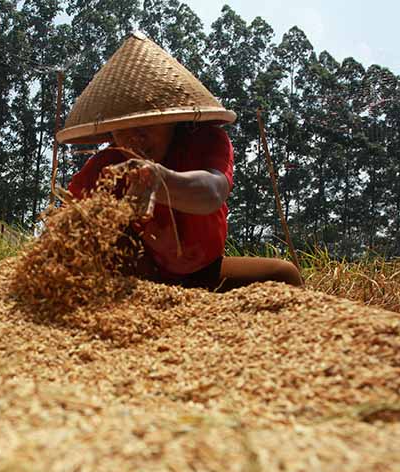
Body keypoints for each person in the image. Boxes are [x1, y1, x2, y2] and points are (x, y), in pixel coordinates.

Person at [56, 32, 302, 292]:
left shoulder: (205, 142)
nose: (135, 136)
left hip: (204, 273)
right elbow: (65, 228)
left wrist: (161, 181)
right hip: (134, 280)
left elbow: (212, 191)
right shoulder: (104, 169)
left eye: (148, 123)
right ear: (110, 133)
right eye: (123, 128)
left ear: (172, 120)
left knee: (283, 275)